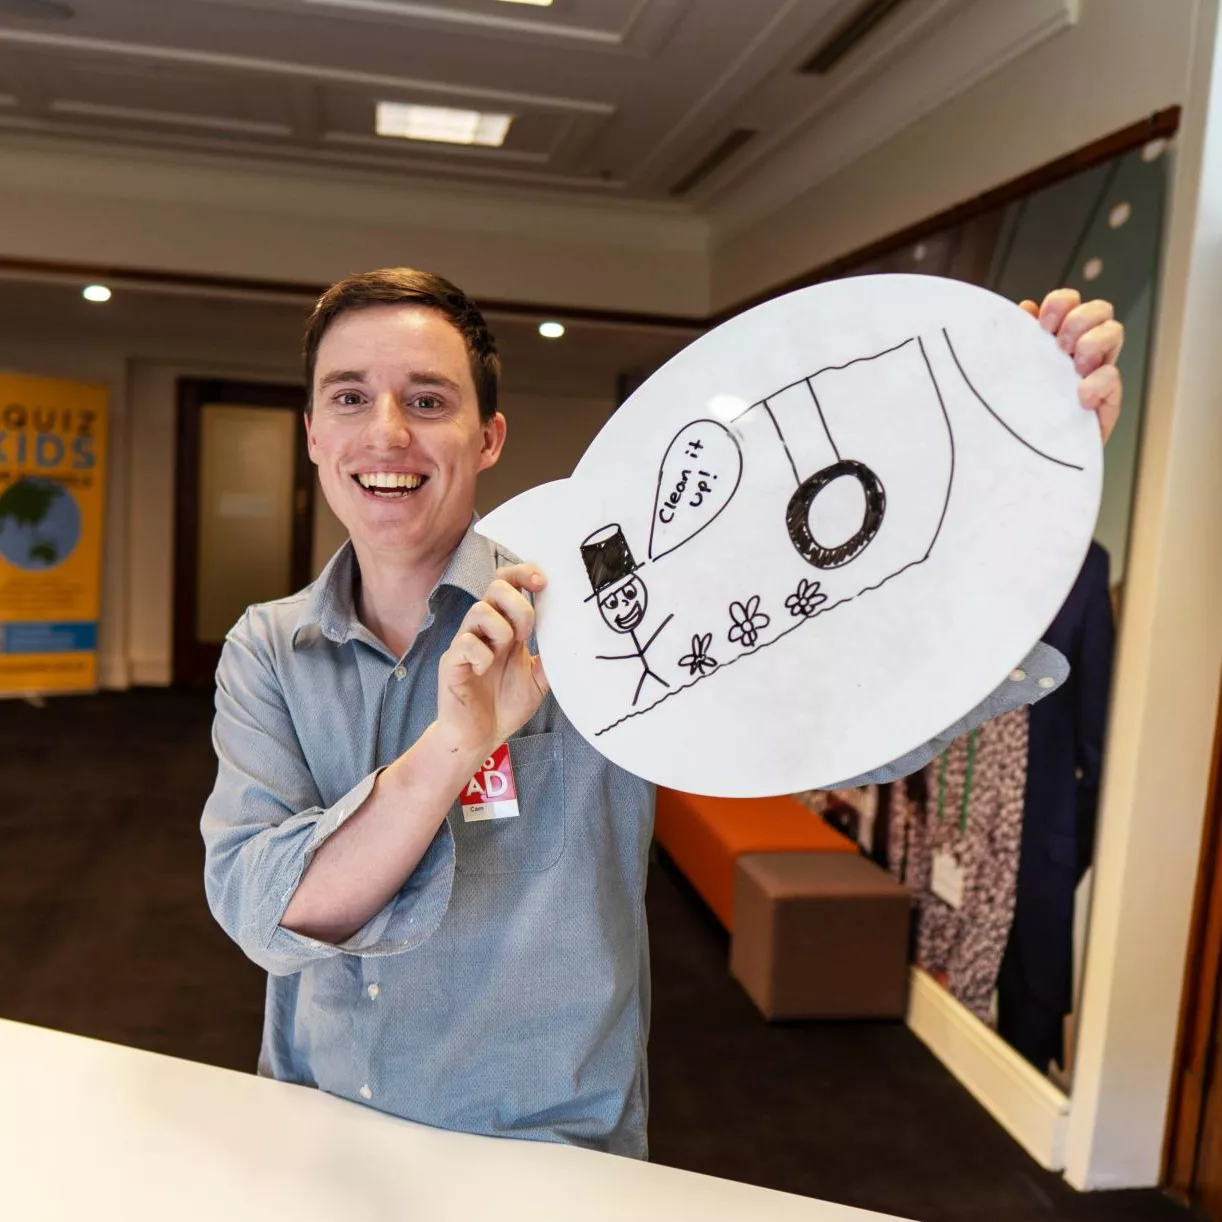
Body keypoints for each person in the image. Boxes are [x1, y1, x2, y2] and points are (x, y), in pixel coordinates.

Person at [201, 269, 1124, 1158]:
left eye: (430, 401)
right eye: (351, 398)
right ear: (315, 431)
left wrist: (1025, 478)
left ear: (488, 437)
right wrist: (455, 746)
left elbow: (834, 728)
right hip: (318, 1128)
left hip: (548, 1149)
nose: (388, 434)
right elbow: (265, 908)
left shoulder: (599, 611)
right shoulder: (269, 650)